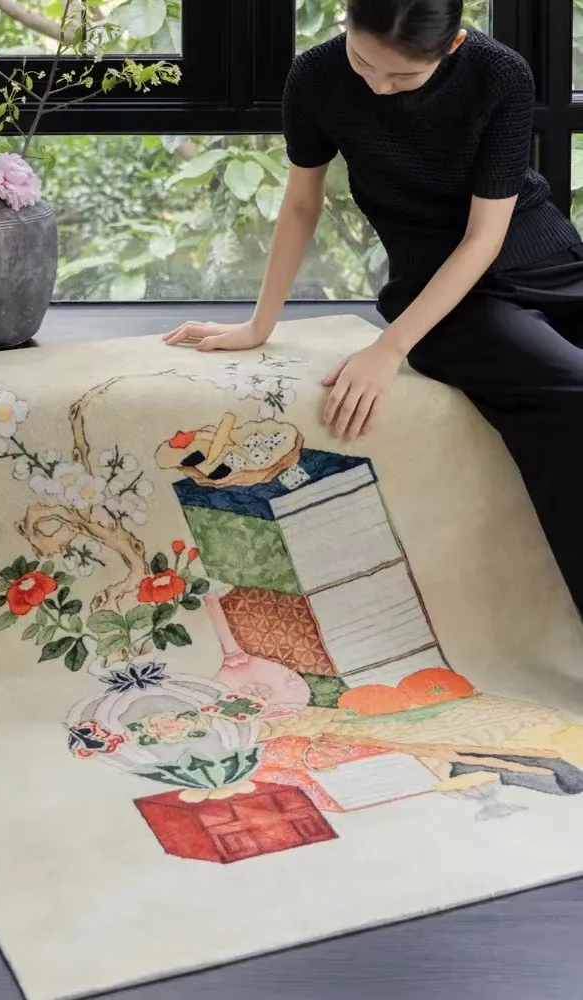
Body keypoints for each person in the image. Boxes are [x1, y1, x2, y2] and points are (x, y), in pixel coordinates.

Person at [163, 0, 583, 617]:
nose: (379, 86)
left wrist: (388, 349)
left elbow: (484, 236)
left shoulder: (500, 73)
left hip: (546, 260)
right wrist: (261, 324)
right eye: (363, 61)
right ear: (345, 22)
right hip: (443, 298)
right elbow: (301, 204)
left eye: (404, 75)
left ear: (453, 45)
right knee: (574, 391)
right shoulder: (316, 76)